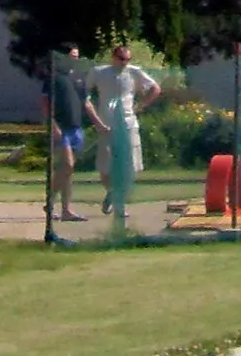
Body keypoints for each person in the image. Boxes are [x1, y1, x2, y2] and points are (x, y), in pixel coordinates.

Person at [87, 41, 162, 224]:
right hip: (106, 123)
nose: (125, 63)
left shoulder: (134, 72)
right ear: (114, 58)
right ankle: (111, 193)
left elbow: (155, 88)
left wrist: (141, 106)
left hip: (128, 123)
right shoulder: (99, 72)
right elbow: (85, 97)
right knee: (105, 165)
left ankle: (120, 205)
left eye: (128, 59)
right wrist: (96, 121)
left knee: (130, 165)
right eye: (121, 59)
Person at [45, 46, 88, 222]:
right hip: (61, 128)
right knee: (67, 165)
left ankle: (66, 210)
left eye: (77, 56)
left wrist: (99, 124)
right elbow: (44, 103)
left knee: (68, 171)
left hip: (76, 127)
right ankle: (49, 201)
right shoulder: (54, 78)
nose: (75, 59)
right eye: (72, 56)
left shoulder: (78, 77)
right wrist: (53, 125)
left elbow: (86, 102)